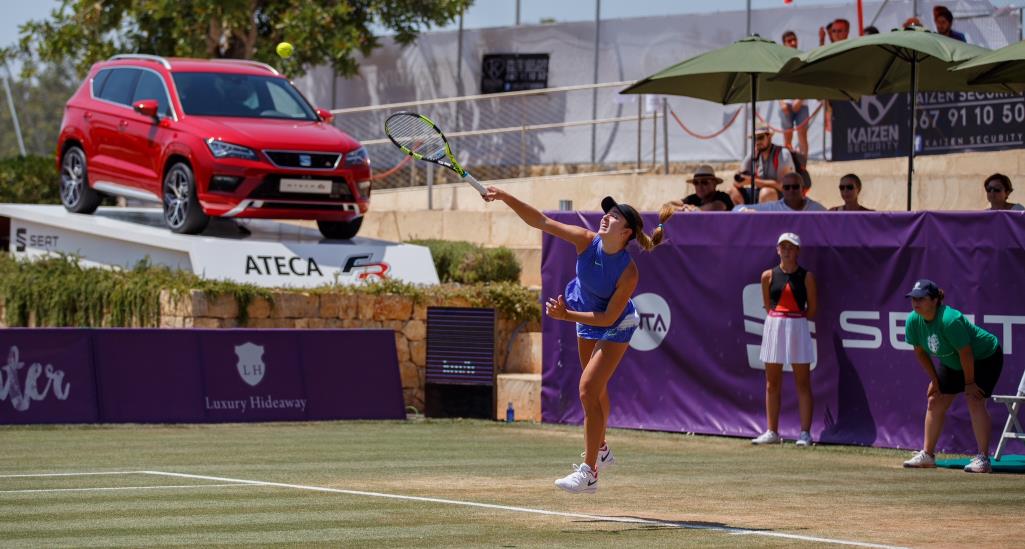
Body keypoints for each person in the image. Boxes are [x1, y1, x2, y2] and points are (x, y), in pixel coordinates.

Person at [483, 186, 667, 493]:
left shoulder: (629, 273)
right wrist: (505, 197)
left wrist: (567, 316)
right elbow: (541, 221)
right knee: (595, 391)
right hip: (584, 315)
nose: (607, 217)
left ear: (627, 233)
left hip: (615, 324)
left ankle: (590, 472)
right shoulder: (585, 240)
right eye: (607, 212)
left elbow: (608, 318)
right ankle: (603, 448)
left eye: (615, 215)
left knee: (586, 390)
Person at [901, 280, 1003, 473]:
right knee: (935, 400)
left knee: (974, 399)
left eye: (921, 298)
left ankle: (983, 459)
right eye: (913, 299)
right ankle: (928, 455)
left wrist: (970, 383)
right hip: (952, 361)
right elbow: (920, 352)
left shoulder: (949, 320)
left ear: (934, 300)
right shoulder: (913, 321)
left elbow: (966, 353)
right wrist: (935, 380)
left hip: (984, 357)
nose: (916, 303)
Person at [752, 232, 818, 446]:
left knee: (803, 382)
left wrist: (794, 319)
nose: (787, 250)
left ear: (798, 251)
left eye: (791, 247)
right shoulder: (767, 276)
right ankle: (772, 431)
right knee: (772, 383)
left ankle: (805, 434)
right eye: (784, 247)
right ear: (778, 250)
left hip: (798, 326)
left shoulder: (807, 277)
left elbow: (812, 309)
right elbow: (767, 305)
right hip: (774, 325)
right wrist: (780, 318)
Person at [728, 127, 794, 205]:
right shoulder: (754, 154)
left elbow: (783, 186)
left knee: (766, 192)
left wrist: (753, 181)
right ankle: (743, 215)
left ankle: (761, 217)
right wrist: (740, 180)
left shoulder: (782, 154)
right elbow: (738, 178)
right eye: (754, 139)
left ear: (769, 137)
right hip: (760, 193)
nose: (757, 142)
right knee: (731, 190)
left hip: (782, 197)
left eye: (760, 137)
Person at [779, 31, 810, 156]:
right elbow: (777, 83)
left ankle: (803, 166)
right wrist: (781, 102)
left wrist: (800, 99)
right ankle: (788, 166)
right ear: (784, 44)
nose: (793, 43)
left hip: (801, 103)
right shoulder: (780, 61)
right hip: (785, 103)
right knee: (787, 137)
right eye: (789, 41)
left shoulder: (803, 57)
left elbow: (807, 80)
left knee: (802, 134)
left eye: (794, 39)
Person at [736, 173, 827, 212]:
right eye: (787, 187)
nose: (791, 190)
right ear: (782, 190)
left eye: (795, 187)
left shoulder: (816, 208)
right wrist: (745, 211)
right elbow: (736, 209)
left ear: (803, 189)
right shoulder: (774, 208)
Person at [663, 164, 733, 212]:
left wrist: (692, 209)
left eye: (704, 182)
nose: (699, 186)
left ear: (714, 184)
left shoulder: (723, 197)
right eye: (696, 183)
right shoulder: (693, 198)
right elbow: (667, 205)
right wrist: (682, 208)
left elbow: (716, 207)